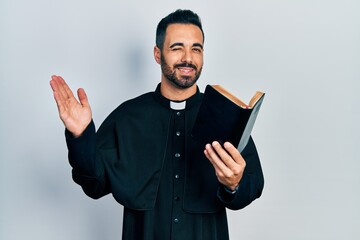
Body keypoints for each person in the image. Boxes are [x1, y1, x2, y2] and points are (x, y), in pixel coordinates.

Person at [50, 9, 264, 240]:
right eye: (177, 47)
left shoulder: (224, 116)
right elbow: (93, 184)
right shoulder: (127, 117)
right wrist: (81, 135)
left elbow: (252, 184)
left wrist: (234, 184)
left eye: (196, 48)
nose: (188, 58)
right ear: (157, 53)